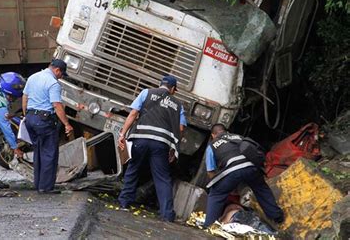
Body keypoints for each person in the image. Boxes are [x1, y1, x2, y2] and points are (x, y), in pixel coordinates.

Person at [117, 75, 187, 222]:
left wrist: (122, 134)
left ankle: (124, 203)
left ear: (160, 84)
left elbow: (134, 113)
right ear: (173, 89)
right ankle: (167, 215)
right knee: (162, 177)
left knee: (133, 169)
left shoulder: (146, 93)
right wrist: (174, 148)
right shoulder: (178, 105)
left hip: (140, 138)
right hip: (161, 143)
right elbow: (180, 128)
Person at [203, 123, 284, 228]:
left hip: (232, 170)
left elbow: (211, 172)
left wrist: (224, 186)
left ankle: (209, 225)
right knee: (261, 189)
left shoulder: (212, 145)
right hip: (251, 167)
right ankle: (278, 217)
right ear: (226, 131)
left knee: (216, 194)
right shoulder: (238, 137)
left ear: (213, 135)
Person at [22, 59, 73, 194]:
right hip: (44, 121)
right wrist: (66, 124)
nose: (61, 77)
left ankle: (38, 183)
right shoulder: (53, 83)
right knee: (49, 153)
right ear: (57, 70)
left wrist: (26, 115)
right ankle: (45, 187)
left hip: (30, 118)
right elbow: (56, 105)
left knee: (38, 152)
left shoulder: (32, 77)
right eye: (61, 74)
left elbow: (25, 97)